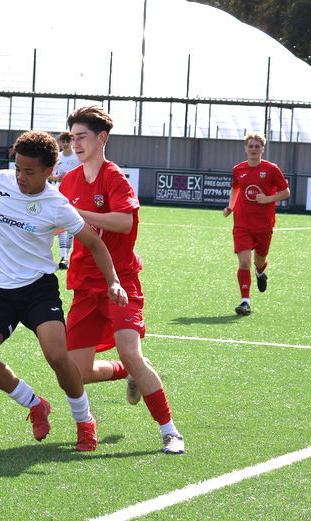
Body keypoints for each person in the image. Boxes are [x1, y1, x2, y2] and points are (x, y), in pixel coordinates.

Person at [0, 130, 128, 452]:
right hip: (1, 290)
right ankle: (35, 404)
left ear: (49, 172)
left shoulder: (57, 205)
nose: (20, 177)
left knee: (58, 356)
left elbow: (95, 243)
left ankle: (84, 420)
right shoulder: (2, 181)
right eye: (18, 168)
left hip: (38, 290)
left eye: (29, 172)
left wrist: (113, 280)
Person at [59, 105, 185, 455]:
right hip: (84, 284)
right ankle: (124, 373)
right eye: (72, 137)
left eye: (82, 136)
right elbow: (59, 221)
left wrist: (74, 213)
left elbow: (124, 222)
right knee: (77, 372)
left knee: (132, 352)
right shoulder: (69, 180)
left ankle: (169, 431)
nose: (76, 143)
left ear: (102, 138)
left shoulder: (114, 178)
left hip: (121, 282)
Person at [223, 131, 290, 316]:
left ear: (262, 149)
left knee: (259, 261)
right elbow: (235, 188)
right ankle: (245, 302)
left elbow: (285, 192)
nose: (253, 149)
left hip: (264, 224)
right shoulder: (238, 169)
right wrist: (230, 207)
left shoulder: (271, 169)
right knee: (244, 262)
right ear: (246, 149)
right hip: (242, 223)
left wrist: (268, 198)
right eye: (250, 146)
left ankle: (260, 272)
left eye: (257, 146)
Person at [49, 131, 80, 269]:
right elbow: (49, 174)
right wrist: (56, 179)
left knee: (72, 225)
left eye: (68, 141)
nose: (66, 144)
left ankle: (68, 255)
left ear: (72, 142)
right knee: (62, 225)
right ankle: (64, 257)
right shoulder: (57, 158)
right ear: (60, 143)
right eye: (63, 141)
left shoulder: (78, 157)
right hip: (60, 194)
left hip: (75, 193)